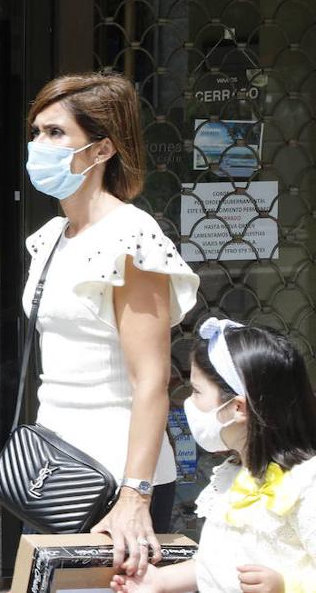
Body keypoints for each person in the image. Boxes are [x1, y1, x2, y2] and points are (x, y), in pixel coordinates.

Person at [22, 72, 199, 577]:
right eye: (36, 132)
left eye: (56, 134)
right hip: (51, 465)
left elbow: (152, 380)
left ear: (101, 151)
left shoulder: (130, 237)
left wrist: (134, 495)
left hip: (112, 476)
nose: (39, 146)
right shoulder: (53, 235)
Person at [109, 319, 316, 593]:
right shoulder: (232, 473)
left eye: (197, 391)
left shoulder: (307, 483)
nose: (187, 402)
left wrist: (285, 587)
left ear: (238, 408)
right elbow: (215, 563)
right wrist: (159, 581)